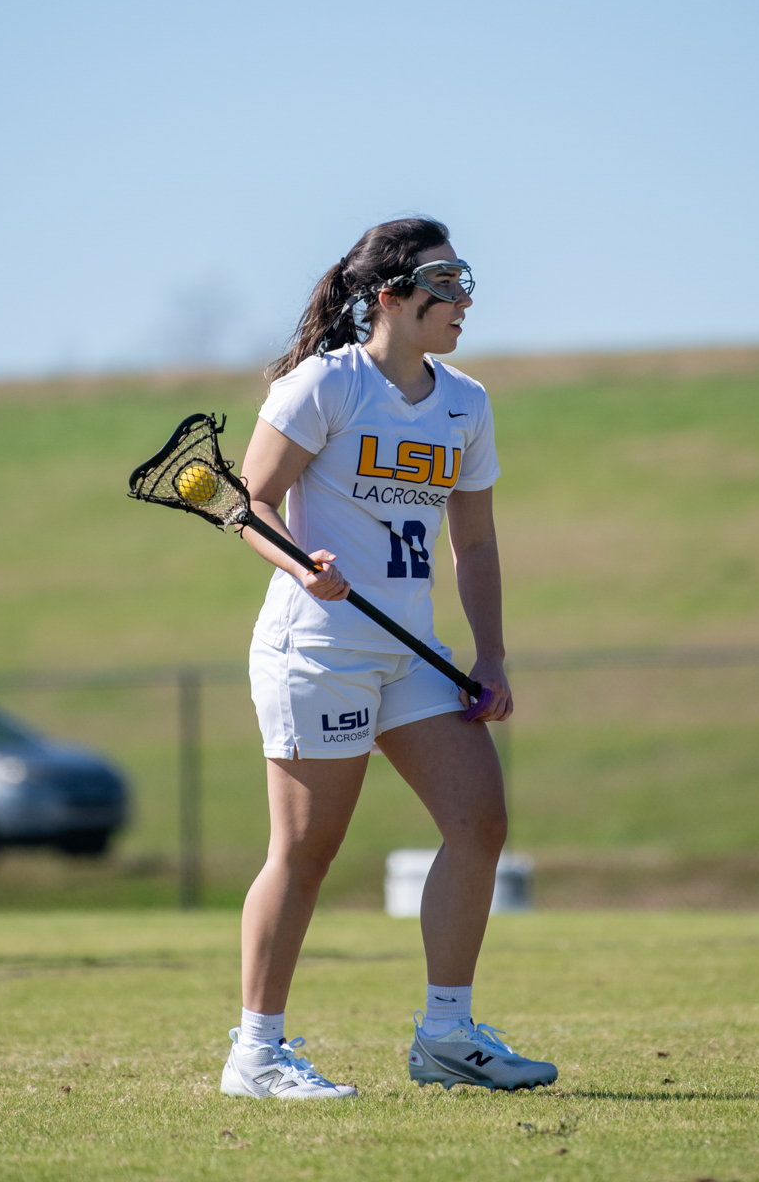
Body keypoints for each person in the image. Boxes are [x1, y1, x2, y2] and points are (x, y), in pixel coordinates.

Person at [220, 217, 557, 1099]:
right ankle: (255, 1054)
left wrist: (491, 653)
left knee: (479, 821)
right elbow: (248, 505)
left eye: (464, 283)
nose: (463, 302)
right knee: (305, 851)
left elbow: (474, 543)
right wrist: (303, 564)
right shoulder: (322, 387)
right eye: (444, 284)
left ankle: (446, 1035)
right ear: (391, 300)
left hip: (412, 653)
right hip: (319, 647)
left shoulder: (466, 402)